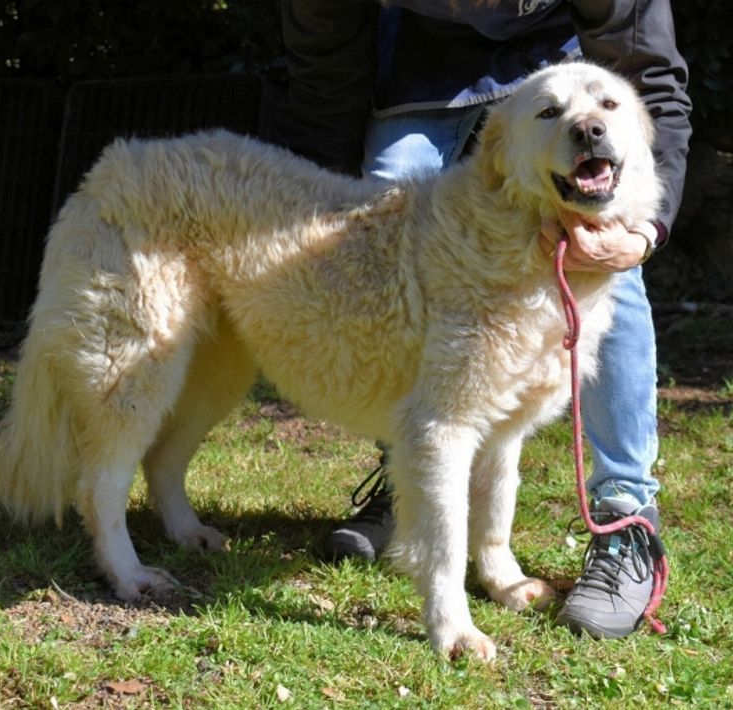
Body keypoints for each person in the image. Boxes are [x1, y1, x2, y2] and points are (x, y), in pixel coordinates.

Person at [271, 0, 692, 640]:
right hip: (418, 72)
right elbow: (325, 65)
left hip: (555, 64)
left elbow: (647, 71)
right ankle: (415, 468)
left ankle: (624, 514)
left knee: (610, 240)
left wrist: (644, 233)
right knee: (385, 201)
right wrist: (316, 208)